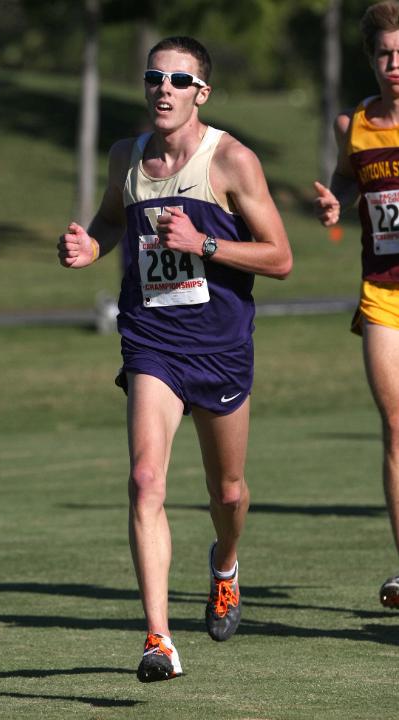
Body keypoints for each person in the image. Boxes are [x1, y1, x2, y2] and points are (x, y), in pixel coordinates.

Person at [58, 36, 292, 681]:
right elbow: (110, 220)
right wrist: (90, 247)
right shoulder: (125, 158)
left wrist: (204, 242)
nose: (164, 88)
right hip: (151, 344)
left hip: (219, 347)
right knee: (144, 481)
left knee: (229, 491)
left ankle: (226, 564)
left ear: (201, 93)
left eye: (179, 80)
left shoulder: (232, 161)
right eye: (154, 76)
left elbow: (280, 257)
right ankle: (158, 639)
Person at [314, 1, 399, 611]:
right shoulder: (360, 125)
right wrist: (337, 201)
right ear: (371, 61)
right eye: (385, 54)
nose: (395, 64)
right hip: (383, 293)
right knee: (396, 427)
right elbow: (348, 178)